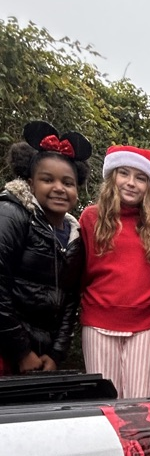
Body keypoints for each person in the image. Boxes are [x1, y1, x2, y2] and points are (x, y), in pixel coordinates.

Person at [0, 122, 92, 375]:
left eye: (68, 183)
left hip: (43, 356)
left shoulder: (75, 236)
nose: (59, 188)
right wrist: (21, 352)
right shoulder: (11, 216)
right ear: (30, 183)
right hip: (7, 352)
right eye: (47, 180)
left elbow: (70, 299)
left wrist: (56, 354)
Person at [79, 146, 150, 397]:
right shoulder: (90, 218)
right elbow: (80, 273)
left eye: (140, 178)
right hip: (97, 323)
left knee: (143, 404)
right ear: (112, 176)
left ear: (149, 186)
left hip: (145, 326)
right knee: (105, 403)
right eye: (124, 173)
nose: (131, 183)